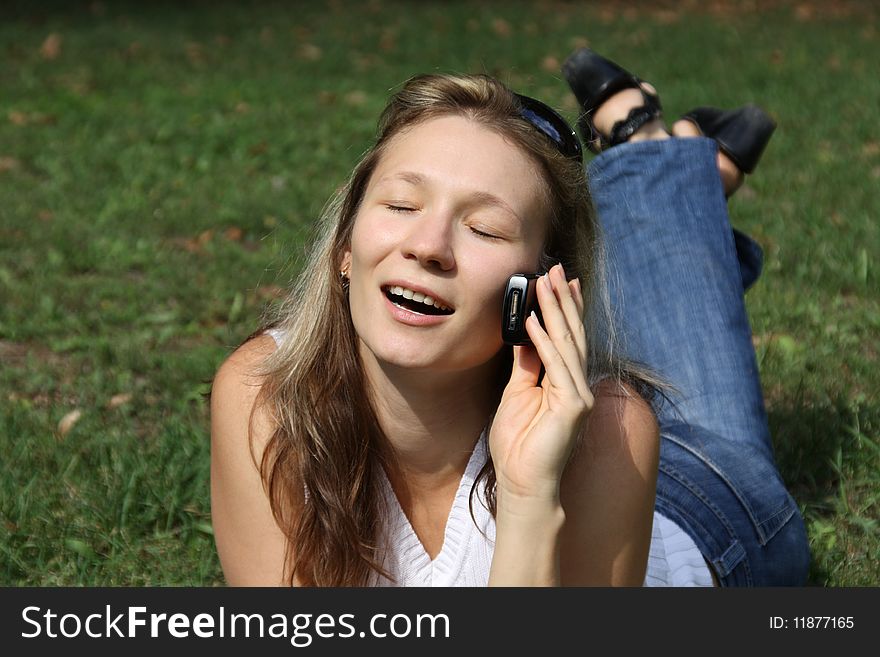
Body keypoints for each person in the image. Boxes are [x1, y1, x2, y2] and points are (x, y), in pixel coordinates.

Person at [210, 49, 810, 586]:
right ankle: (667, 168)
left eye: (484, 228)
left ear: (540, 288)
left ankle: (658, 160)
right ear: (346, 246)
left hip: (704, 509)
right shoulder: (268, 395)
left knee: (683, 426)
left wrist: (527, 495)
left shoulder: (612, 430)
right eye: (400, 204)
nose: (427, 245)